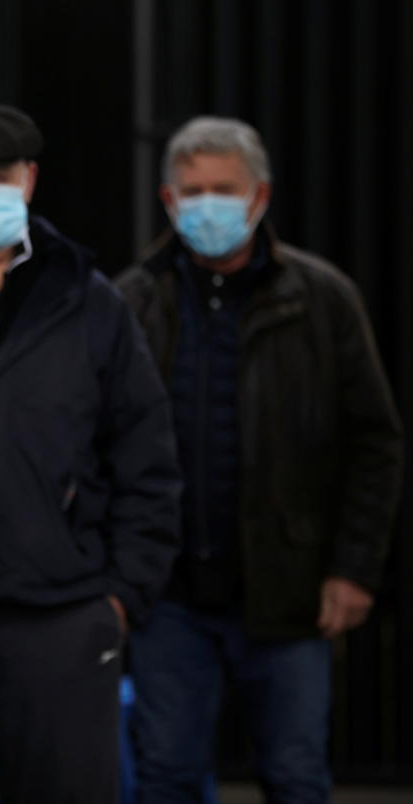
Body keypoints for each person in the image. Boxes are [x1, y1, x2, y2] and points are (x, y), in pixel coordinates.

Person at [0, 100, 181, 803]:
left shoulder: (89, 301)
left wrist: (118, 596)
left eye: (1, 176)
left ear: (29, 179)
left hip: (64, 610)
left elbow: (147, 455)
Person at [115, 116, 404, 803]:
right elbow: (99, 447)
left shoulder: (321, 298)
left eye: (224, 188)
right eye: (193, 190)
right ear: (167, 200)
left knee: (295, 776)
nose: (207, 203)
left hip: (291, 590)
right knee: (166, 777)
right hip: (169, 596)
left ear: (260, 195)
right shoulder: (131, 301)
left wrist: (353, 568)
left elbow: (375, 441)